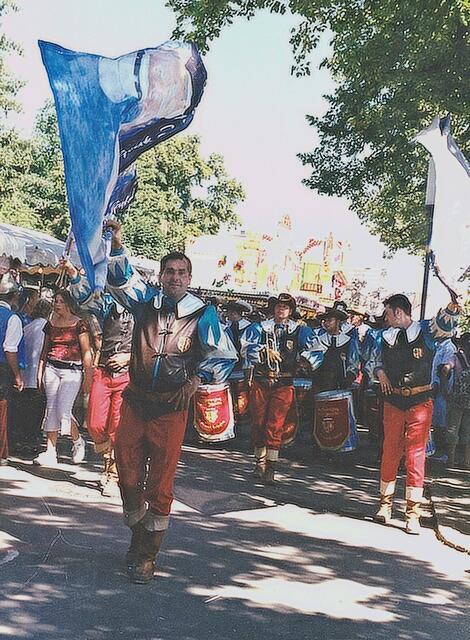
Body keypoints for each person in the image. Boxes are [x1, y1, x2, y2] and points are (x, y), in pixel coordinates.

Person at [105, 221, 237, 584]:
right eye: (169, 272)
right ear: (161, 276)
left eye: (181, 273)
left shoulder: (203, 313)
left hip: (171, 408)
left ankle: (147, 555)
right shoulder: (145, 302)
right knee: (127, 474)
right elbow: (120, 280)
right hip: (136, 401)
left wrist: (197, 380)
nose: (175, 278)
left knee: (160, 485)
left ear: (189, 278)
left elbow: (222, 353)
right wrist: (117, 242)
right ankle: (138, 535)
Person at [368, 293, 459, 534]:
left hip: (420, 401)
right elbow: (373, 361)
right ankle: (385, 505)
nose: (386, 318)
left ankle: (412, 513)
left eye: (388, 313)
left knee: (415, 456)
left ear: (398, 312)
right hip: (393, 400)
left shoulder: (426, 331)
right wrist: (380, 373)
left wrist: (452, 306)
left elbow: (444, 323)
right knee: (390, 452)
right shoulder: (385, 337)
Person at [62, 257, 134, 496]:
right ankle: (109, 461)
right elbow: (85, 297)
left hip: (127, 376)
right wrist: (73, 273)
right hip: (103, 371)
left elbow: (153, 344)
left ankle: (111, 473)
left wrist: (129, 357)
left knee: (117, 426)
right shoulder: (107, 305)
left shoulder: (143, 310)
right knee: (94, 423)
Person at [241, 293, 314, 485]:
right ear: (273, 309)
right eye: (279, 306)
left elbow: (316, 349)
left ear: (291, 311)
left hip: (284, 382)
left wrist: (304, 361)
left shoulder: (299, 330)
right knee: (258, 422)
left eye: (285, 307)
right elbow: (245, 347)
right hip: (261, 380)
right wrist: (262, 351)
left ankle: (270, 468)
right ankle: (259, 462)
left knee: (275, 424)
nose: (281, 309)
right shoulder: (260, 327)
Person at [33, 289, 93, 467]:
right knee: (51, 408)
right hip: (52, 367)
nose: (57, 304)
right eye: (55, 300)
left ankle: (77, 441)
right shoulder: (50, 323)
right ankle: (50, 451)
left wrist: (88, 376)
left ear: (68, 303)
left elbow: (86, 352)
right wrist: (40, 371)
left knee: (63, 409)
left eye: (61, 301)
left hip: (72, 370)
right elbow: (44, 350)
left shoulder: (79, 324)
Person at [12, 298, 52, 457]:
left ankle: (21, 441)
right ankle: (31, 442)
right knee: (36, 413)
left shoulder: (27, 327)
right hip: (38, 376)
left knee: (24, 412)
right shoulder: (47, 328)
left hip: (25, 374)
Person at [308, 301, 361, 392]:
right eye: (325, 321)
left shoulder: (348, 341)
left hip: (340, 387)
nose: (326, 323)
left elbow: (353, 364)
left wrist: (350, 377)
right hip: (319, 385)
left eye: (330, 320)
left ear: (338, 321)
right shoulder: (318, 340)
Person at [0, 274, 24, 465]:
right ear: (14, 296)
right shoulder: (13, 318)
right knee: (2, 409)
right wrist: (17, 375)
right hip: (2, 370)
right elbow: (10, 349)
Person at [446, 333, 470, 468]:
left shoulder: (456, 357)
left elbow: (446, 368)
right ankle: (467, 461)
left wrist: (444, 387)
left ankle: (450, 459)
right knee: (467, 429)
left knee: (453, 428)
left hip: (457, 398)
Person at [224, 299, 253, 364]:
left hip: (243, 363)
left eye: (228, 312)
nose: (227, 315)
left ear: (234, 313)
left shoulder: (249, 328)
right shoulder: (228, 326)